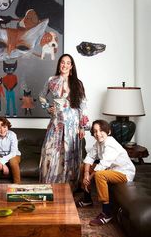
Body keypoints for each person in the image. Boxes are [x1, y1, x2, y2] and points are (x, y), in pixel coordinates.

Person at [39, 53, 89, 185]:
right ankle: (50, 184)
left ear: (71, 66)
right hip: (56, 123)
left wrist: (82, 127)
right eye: (62, 62)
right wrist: (47, 107)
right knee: (51, 151)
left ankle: (68, 187)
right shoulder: (52, 80)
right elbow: (41, 96)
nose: (65, 65)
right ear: (59, 64)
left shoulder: (77, 83)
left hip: (73, 124)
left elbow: (83, 105)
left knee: (68, 153)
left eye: (68, 63)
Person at [77, 119, 136, 226]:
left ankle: (107, 213)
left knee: (99, 174)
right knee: (83, 167)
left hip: (123, 173)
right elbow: (89, 157)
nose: (98, 134)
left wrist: (88, 178)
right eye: (95, 131)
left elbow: (102, 165)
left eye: (101, 131)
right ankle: (87, 199)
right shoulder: (98, 143)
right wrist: (86, 173)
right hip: (110, 170)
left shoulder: (110, 144)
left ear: (108, 132)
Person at [0, 117, 21, 184]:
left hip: (13, 156)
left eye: (4, 127)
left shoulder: (12, 135)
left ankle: (17, 186)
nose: (2, 130)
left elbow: (13, 153)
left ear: (7, 127)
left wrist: (1, 162)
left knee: (12, 161)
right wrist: (3, 164)